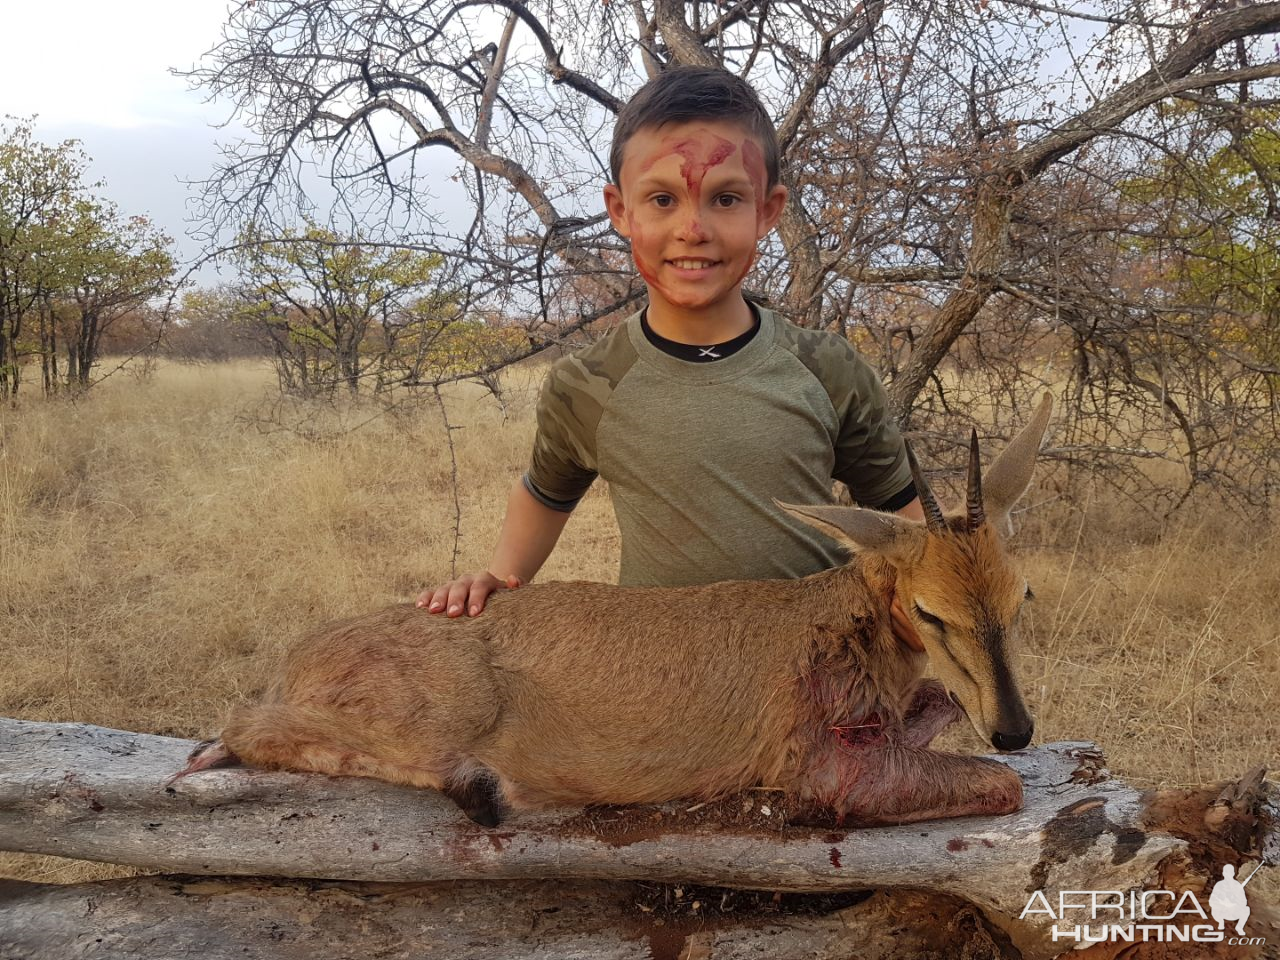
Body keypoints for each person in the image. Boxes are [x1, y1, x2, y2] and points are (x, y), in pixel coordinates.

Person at [418, 66, 924, 645]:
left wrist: (922, 605)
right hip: (660, 684)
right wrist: (497, 577)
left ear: (768, 210)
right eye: (662, 199)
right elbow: (546, 492)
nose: (693, 228)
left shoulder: (827, 367)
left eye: (726, 198)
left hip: (818, 675)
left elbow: (898, 510)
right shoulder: (587, 384)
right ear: (620, 210)